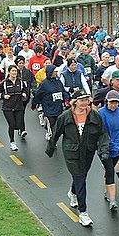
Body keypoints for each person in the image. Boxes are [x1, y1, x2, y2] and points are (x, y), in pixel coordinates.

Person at [46, 89, 109, 227]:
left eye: (86, 100)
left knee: (82, 176)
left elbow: (103, 133)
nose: (84, 103)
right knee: (80, 177)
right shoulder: (65, 117)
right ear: (75, 102)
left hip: (88, 151)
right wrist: (50, 149)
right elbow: (56, 133)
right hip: (71, 152)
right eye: (81, 100)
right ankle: (83, 212)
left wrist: (104, 149)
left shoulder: (95, 116)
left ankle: (73, 192)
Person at [98, 90, 119, 211]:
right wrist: (110, 144)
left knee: (110, 170)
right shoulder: (101, 113)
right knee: (110, 171)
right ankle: (112, 200)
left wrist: (118, 145)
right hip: (104, 148)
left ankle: (107, 189)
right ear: (107, 102)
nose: (114, 105)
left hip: (117, 148)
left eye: (116, 103)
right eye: (112, 102)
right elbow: (101, 131)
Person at [32, 65, 69, 141]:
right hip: (48, 107)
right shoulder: (44, 84)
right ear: (50, 73)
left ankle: (49, 128)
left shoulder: (58, 82)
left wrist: (66, 100)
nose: (56, 73)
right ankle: (51, 137)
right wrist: (34, 104)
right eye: (55, 72)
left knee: (57, 123)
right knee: (51, 122)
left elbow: (63, 91)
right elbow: (38, 94)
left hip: (58, 106)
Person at [0, 65, 29, 151]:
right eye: (13, 71)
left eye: (16, 71)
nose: (14, 72)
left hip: (19, 107)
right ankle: (12, 142)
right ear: (9, 72)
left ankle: (20, 130)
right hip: (8, 107)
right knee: (12, 125)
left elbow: (26, 90)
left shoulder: (21, 82)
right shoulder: (4, 82)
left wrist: (24, 94)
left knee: (18, 125)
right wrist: (3, 96)